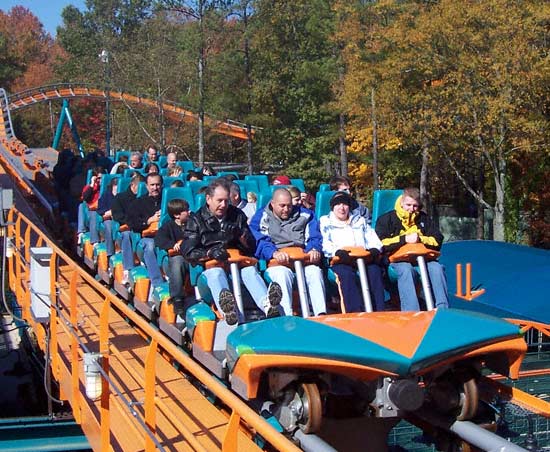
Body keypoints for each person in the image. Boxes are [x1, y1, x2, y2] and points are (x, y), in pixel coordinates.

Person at [180, 178, 282, 324]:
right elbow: (188, 251)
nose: (223, 205)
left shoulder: (237, 215)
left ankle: (267, 305)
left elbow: (252, 246)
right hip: (211, 269)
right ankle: (229, 311)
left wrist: (240, 235)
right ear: (208, 199)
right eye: (219, 200)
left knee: (249, 272)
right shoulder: (196, 220)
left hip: (237, 266)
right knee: (217, 274)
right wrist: (209, 253)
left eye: (226, 201)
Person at [250, 188, 326, 316]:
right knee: (282, 275)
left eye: (289, 206)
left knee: (314, 272)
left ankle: (321, 314)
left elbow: (315, 236)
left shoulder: (306, 215)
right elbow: (259, 239)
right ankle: (286, 315)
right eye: (282, 206)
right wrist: (273, 253)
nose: (286, 209)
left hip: (302, 258)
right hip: (278, 260)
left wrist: (314, 249)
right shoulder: (262, 216)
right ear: (273, 204)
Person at [375, 187, 449, 311]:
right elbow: (380, 243)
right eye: (408, 205)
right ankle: (411, 311)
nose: (411, 209)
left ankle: (442, 308)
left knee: (437, 268)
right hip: (397, 260)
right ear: (401, 202)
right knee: (406, 270)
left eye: (415, 206)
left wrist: (420, 239)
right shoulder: (386, 219)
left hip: (423, 258)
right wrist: (404, 239)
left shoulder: (423, 218)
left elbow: (437, 239)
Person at [320, 191, 385, 312]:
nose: (342, 208)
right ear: (333, 207)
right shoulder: (326, 221)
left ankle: (378, 310)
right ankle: (354, 311)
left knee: (374, 271)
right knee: (346, 275)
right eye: (338, 204)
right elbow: (325, 243)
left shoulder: (359, 220)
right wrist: (336, 252)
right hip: (341, 259)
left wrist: (374, 249)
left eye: (344, 204)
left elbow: (372, 237)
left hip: (362, 257)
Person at [127, 173, 164, 291]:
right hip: (146, 237)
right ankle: (157, 284)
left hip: (165, 236)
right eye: (152, 185)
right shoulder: (138, 203)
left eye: (158, 185)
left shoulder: (167, 200)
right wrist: (149, 220)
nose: (155, 188)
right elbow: (132, 223)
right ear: (147, 186)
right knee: (150, 245)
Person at [155, 199, 191, 312]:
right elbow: (159, 240)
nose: (189, 212)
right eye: (185, 211)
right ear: (177, 215)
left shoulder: (193, 223)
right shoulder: (168, 227)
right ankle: (177, 298)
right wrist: (172, 244)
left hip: (193, 254)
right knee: (177, 261)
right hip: (178, 256)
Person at [112, 175, 141, 283]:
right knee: (127, 234)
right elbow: (117, 216)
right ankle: (127, 269)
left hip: (142, 226)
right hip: (127, 227)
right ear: (133, 185)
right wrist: (131, 222)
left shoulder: (144, 198)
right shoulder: (120, 198)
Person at [78, 167, 106, 245]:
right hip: (91, 209)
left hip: (104, 210)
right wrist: (92, 185)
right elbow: (85, 197)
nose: (101, 180)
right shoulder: (91, 187)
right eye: (99, 178)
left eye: (102, 178)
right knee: (82, 206)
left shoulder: (108, 187)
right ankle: (92, 239)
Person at [97, 177, 119, 257]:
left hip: (119, 218)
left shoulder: (123, 196)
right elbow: (100, 209)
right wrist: (109, 212)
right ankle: (110, 252)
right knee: (109, 226)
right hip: (108, 218)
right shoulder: (106, 194)